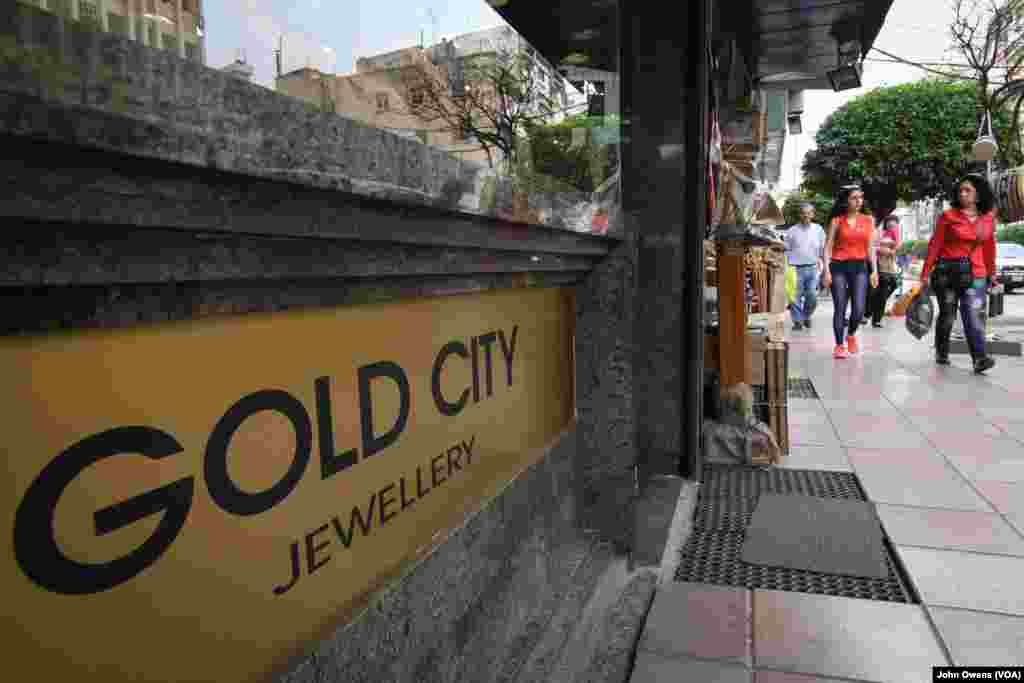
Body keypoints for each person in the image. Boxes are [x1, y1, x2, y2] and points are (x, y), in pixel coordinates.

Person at [920, 174, 998, 374]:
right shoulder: (949, 217)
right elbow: (935, 245)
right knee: (947, 315)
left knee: (973, 315)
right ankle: (942, 351)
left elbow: (989, 247)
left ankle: (980, 359)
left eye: (968, 190)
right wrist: (925, 272)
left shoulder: (988, 219)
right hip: (948, 274)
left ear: (978, 195)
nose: (963, 193)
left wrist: (992, 273)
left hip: (977, 272)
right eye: (961, 190)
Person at [822, 186, 878, 359]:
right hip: (838, 266)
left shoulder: (869, 220)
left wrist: (874, 270)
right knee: (840, 306)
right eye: (854, 198)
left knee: (859, 309)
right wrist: (826, 271)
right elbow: (828, 248)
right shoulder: (837, 221)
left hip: (860, 266)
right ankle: (839, 345)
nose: (858, 201)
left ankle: (851, 334)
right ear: (846, 200)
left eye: (860, 198)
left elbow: (870, 248)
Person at [784, 203, 826, 331]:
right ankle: (797, 321)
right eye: (803, 212)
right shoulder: (791, 231)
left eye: (809, 213)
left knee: (812, 295)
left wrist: (824, 265)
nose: (806, 215)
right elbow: (786, 249)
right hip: (795, 268)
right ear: (799, 214)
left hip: (813, 267)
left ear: (813, 214)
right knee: (794, 297)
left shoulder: (818, 229)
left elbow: (823, 249)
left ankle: (806, 315)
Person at [867, 215, 902, 328]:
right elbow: (871, 247)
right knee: (882, 291)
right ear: (886, 223)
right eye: (889, 224)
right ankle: (876, 318)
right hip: (879, 264)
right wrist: (882, 249)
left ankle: (872, 309)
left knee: (893, 284)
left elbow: (898, 247)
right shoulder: (879, 233)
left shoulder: (895, 234)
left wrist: (896, 234)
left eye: (894, 224)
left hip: (890, 266)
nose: (891, 226)